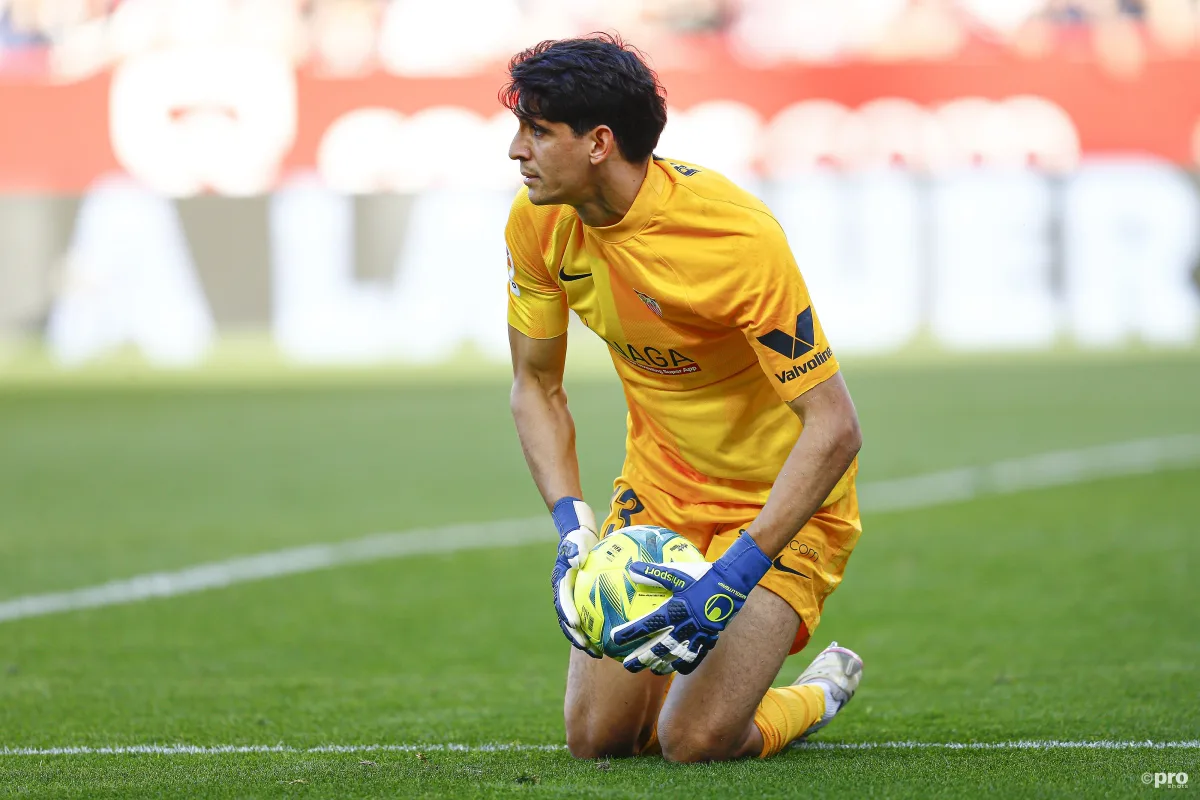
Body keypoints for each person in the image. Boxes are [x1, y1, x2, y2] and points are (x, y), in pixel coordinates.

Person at [503, 33, 864, 763]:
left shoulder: (735, 238)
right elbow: (536, 385)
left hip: (777, 509)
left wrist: (737, 570)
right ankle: (705, 680)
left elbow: (834, 426)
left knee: (693, 740)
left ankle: (814, 694)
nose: (517, 150)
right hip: (660, 497)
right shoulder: (538, 222)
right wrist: (575, 531)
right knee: (600, 740)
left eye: (539, 130)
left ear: (599, 142)